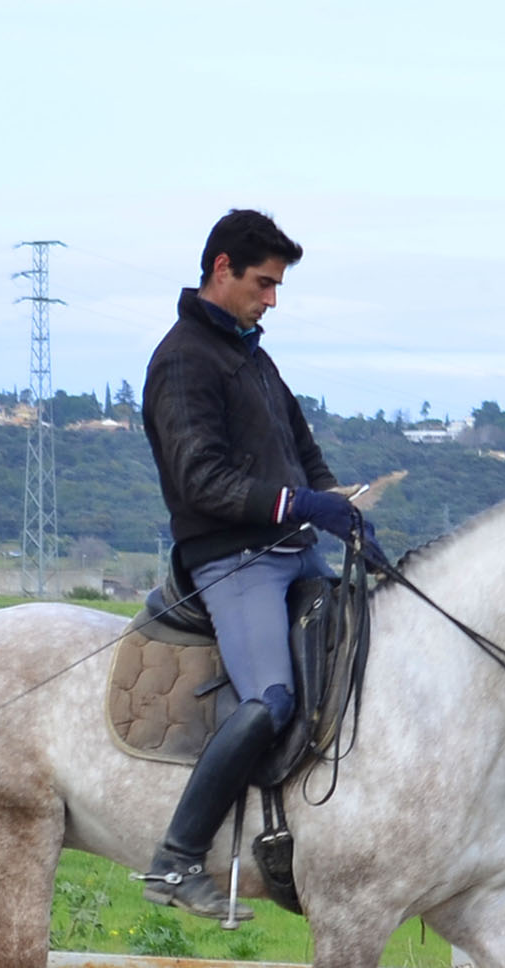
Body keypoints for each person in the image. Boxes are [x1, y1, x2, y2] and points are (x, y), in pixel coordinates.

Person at [138, 208, 385, 919]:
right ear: (221, 268)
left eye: (278, 286)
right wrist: (302, 504)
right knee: (273, 699)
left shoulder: (253, 354)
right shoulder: (182, 359)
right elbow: (199, 481)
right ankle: (176, 859)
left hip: (293, 550)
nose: (272, 299)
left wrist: (341, 505)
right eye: (263, 283)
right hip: (233, 562)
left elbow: (303, 453)